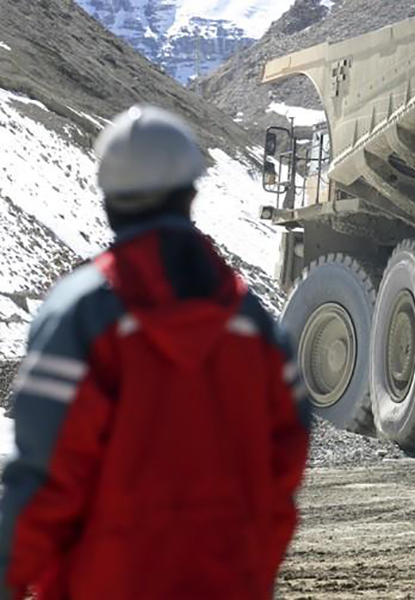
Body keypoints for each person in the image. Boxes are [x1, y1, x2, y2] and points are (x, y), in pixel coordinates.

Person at [0, 105, 312, 599]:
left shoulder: (80, 313)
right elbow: (287, 458)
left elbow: (45, 475)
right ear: (191, 192)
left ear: (109, 198)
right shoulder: (251, 322)